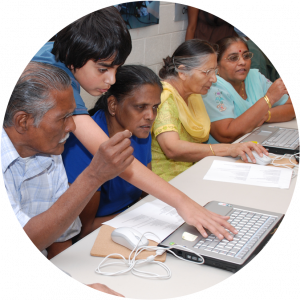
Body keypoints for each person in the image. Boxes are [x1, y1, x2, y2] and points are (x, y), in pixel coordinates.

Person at [30, 6, 239, 243]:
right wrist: (183, 204)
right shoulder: (50, 74)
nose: (111, 79)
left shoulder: (58, 56)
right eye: (102, 69)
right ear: (75, 56)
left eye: (115, 68)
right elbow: (108, 150)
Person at [0, 62, 131, 297]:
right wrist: (93, 176)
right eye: (64, 117)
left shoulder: (49, 151)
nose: (71, 126)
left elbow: (59, 236)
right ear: (23, 121)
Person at [62, 65, 162, 239]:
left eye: (155, 107)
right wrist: (138, 216)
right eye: (141, 107)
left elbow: (146, 193)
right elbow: (83, 231)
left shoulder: (140, 131)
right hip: (97, 236)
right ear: (113, 105)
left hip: (132, 222)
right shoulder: (82, 147)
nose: (150, 116)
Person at [151, 39, 268, 182]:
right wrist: (230, 149)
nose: (214, 79)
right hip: (169, 182)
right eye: (207, 72)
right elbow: (172, 148)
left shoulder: (193, 95)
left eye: (215, 71)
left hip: (195, 173)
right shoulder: (164, 97)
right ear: (182, 72)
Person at [202, 36, 296, 144]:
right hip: (225, 155)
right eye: (233, 58)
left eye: (246, 56)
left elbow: (291, 107)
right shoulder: (212, 86)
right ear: (216, 64)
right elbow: (226, 135)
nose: (242, 62)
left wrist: (265, 115)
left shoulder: (254, 77)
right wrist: (268, 99)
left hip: (256, 143)